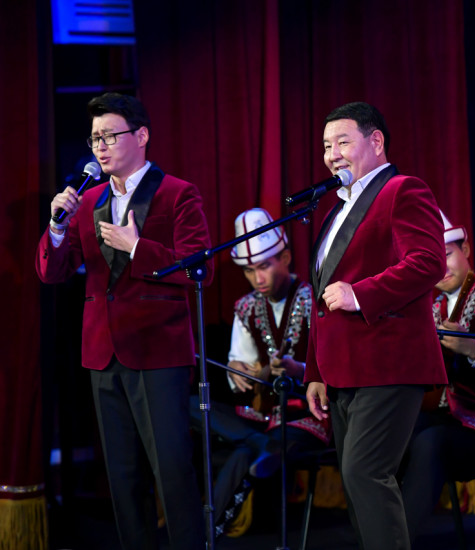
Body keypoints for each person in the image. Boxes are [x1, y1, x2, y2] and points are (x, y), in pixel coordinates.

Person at [35, 93, 210, 549]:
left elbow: (199, 269)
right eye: (95, 138)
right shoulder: (87, 200)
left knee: (172, 470)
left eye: (110, 136)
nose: (100, 146)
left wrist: (137, 248)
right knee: (122, 475)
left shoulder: (177, 193)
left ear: (142, 136)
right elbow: (52, 272)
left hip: (158, 352)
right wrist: (57, 226)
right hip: (102, 352)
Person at [303, 101, 447, 550]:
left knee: (365, 472)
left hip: (388, 362)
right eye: (326, 146)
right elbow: (322, 296)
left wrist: (360, 293)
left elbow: (428, 262)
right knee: (357, 486)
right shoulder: (336, 209)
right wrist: (314, 371)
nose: (332, 155)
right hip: (342, 369)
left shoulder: (403, 190)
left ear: (376, 141)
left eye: (343, 142)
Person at [187, 208, 330, 535]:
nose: (258, 279)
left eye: (264, 266)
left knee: (248, 451)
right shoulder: (246, 307)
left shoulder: (316, 300)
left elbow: (332, 368)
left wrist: (298, 370)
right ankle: (257, 441)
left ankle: (205, 536)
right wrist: (237, 370)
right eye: (249, 271)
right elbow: (243, 380)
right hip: (258, 416)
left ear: (286, 258)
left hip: (304, 417)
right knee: (192, 404)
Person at [401, 211, 475, 542]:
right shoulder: (430, 308)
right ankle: (378, 534)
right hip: (448, 417)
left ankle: (395, 542)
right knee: (394, 433)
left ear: (465, 250)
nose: (440, 268)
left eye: (446, 255)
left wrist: (473, 348)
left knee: (430, 442)